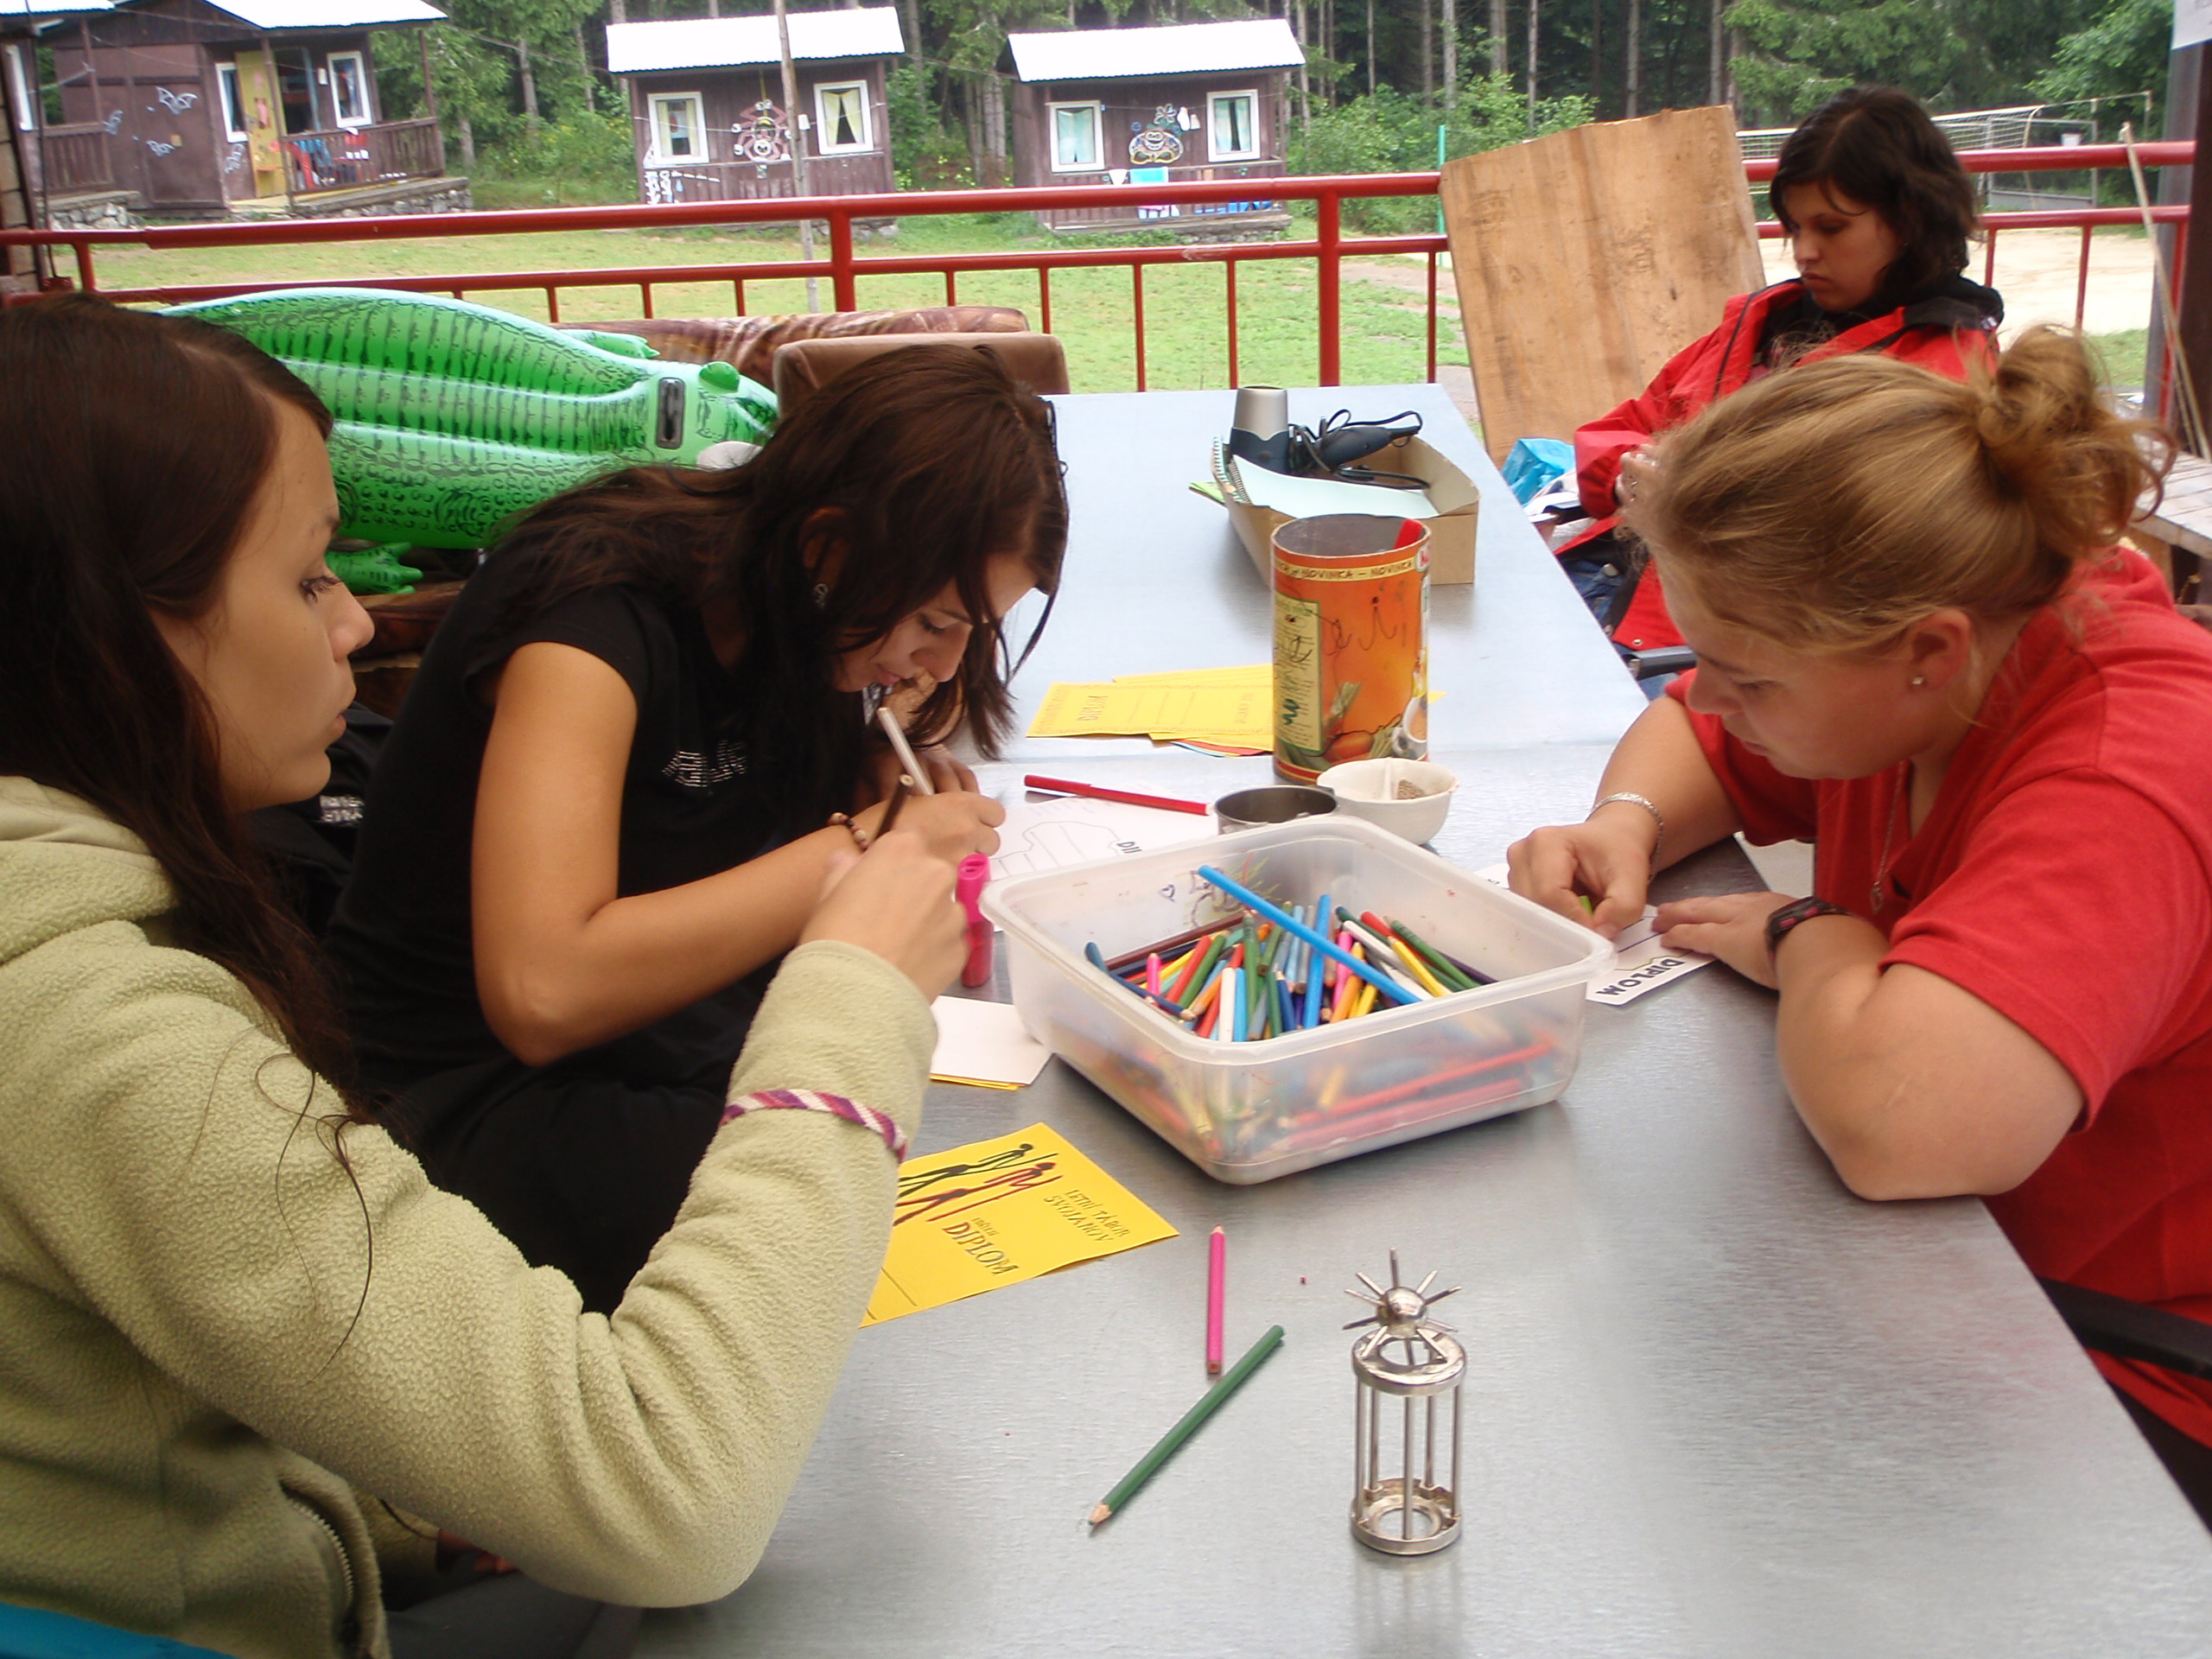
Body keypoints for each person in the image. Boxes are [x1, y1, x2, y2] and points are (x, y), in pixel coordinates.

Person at [0, 294, 970, 1654]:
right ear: (115, 630)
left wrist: (398, 1507)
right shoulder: (104, 1040)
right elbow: (676, 1502)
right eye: (309, 576)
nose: (358, 626)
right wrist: (853, 989)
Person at [1507, 327, 2212, 1521]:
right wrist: (1624, 821)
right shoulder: (1936, 653)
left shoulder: (2125, 770)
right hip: (1940, 1279)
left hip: (2117, 1381)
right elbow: (1696, 734)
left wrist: (1812, 935)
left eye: (1751, 677)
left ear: (1927, 650)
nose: (1710, 693)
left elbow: (1902, 1128)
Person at [326, 347, 1065, 1313]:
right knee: (780, 1207)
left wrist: (870, 767)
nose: (946, 661)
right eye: (934, 620)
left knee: (851, 1134)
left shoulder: (808, 614)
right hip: (466, 1089)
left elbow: (770, 774)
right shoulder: (590, 618)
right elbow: (543, 992)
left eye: (975, 628)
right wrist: (864, 847)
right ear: (828, 545)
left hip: (664, 1034)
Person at [1557, 86, 2003, 662]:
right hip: (1614, 590)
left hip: (1727, 650)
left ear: (1910, 220)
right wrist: (1629, 481)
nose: (1804, 251)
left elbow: (1872, 553)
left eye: (1831, 228)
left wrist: (1688, 502)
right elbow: (1621, 427)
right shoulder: (1763, 321)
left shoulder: (1942, 368)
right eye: (1794, 228)